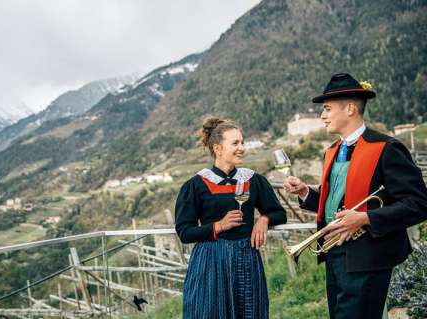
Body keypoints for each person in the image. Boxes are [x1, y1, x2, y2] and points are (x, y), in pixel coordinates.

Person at [283, 73, 427, 319]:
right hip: (335, 255)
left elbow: (419, 204)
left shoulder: (387, 148)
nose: (322, 115)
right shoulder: (332, 151)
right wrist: (306, 193)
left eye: (327, 109)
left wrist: (365, 218)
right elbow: (338, 204)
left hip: (369, 256)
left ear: (350, 108)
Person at [175, 117, 287, 319]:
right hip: (210, 262)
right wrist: (218, 226)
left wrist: (263, 219)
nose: (241, 148)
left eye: (242, 142)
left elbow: (279, 213)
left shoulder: (253, 180)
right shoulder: (195, 185)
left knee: (251, 312)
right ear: (218, 148)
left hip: (246, 259)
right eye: (235, 143)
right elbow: (184, 232)